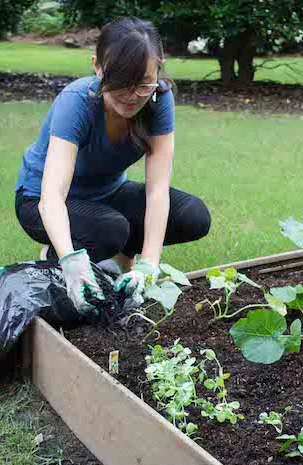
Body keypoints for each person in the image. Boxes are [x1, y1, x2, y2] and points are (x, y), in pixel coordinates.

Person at [14, 17, 210, 313]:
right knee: (110, 230)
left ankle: (122, 259)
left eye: (143, 84)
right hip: (39, 200)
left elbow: (158, 190)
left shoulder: (159, 99)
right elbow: (52, 196)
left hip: (108, 194)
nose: (133, 97)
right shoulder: (76, 101)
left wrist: (148, 264)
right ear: (97, 66)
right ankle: (54, 253)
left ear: (158, 67)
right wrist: (70, 261)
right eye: (120, 84)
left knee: (193, 215)